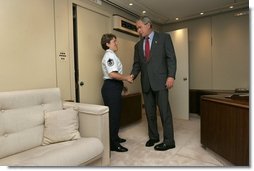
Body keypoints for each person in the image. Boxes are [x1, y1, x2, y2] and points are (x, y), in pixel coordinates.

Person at [130, 16, 177, 151]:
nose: (138, 30)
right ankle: (154, 137)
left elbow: (171, 59)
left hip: (162, 82)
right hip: (146, 83)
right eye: (137, 28)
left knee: (164, 112)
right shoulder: (138, 45)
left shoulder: (164, 38)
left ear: (148, 25)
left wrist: (171, 76)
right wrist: (132, 75)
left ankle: (169, 141)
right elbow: (137, 64)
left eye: (140, 27)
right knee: (149, 113)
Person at [100, 33, 133, 152]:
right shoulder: (109, 56)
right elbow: (112, 74)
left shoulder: (112, 55)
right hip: (111, 88)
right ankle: (113, 144)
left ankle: (115, 137)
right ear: (107, 44)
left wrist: (122, 86)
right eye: (114, 41)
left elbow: (115, 75)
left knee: (116, 114)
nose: (116, 43)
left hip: (114, 87)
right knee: (113, 116)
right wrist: (126, 78)